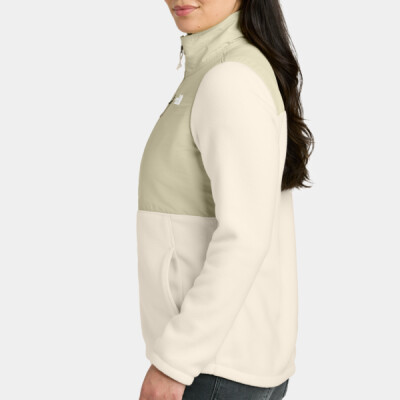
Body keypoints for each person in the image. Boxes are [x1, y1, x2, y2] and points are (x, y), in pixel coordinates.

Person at [137, 1, 314, 399]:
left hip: (211, 370)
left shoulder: (228, 79)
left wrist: (173, 362)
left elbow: (243, 239)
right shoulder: (221, 68)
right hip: (225, 364)